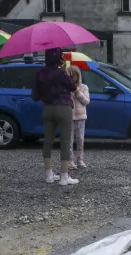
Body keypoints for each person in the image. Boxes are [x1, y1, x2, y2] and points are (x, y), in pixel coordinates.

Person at [32, 48, 78, 186]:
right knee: (65, 141)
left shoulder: (39, 73)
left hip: (48, 108)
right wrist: (66, 70)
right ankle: (64, 176)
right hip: (64, 108)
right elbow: (73, 87)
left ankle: (49, 174)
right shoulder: (62, 72)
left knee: (48, 140)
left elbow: (35, 95)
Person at [68, 65, 90, 170]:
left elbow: (86, 101)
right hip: (69, 116)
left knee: (80, 138)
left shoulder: (84, 87)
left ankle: (80, 159)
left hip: (81, 116)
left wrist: (77, 91)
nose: (73, 77)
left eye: (74, 75)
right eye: (70, 75)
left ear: (78, 75)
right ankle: (70, 160)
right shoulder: (66, 88)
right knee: (69, 139)